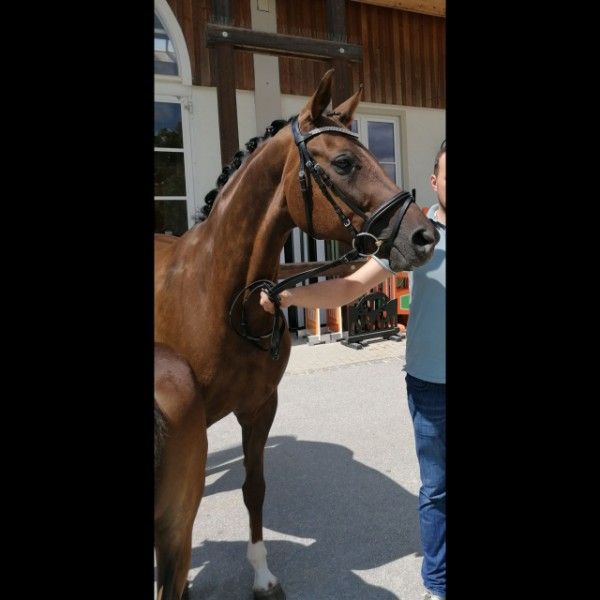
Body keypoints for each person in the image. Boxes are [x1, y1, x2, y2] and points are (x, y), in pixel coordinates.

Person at [260, 142, 446, 600]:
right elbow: (349, 288)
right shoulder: (414, 233)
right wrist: (290, 297)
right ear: (435, 181)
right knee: (438, 490)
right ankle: (438, 584)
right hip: (430, 386)